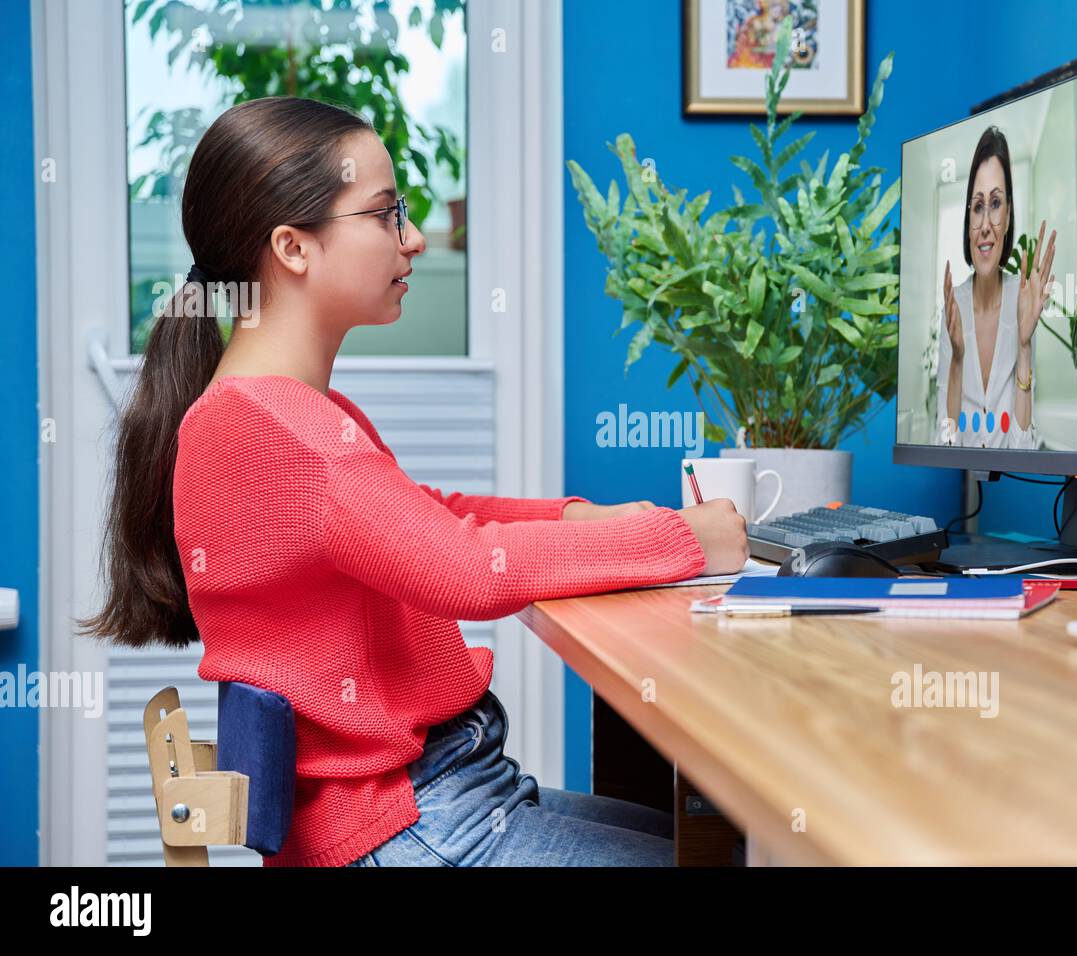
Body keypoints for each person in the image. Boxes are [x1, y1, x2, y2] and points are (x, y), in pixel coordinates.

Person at [77, 97, 748, 867]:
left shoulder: (282, 414)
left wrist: (581, 519)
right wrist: (680, 541)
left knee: (723, 845)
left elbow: (427, 517)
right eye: (387, 215)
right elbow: (458, 565)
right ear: (294, 248)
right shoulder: (267, 429)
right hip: (406, 826)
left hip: (449, 795)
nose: (418, 239)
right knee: (730, 855)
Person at [936, 125, 1055, 449]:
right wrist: (958, 361)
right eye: (977, 206)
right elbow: (946, 440)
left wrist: (1025, 346)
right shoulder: (953, 307)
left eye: (996, 203)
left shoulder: (1024, 299)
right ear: (968, 219)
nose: (986, 225)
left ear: (1009, 211)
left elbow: (1023, 447)